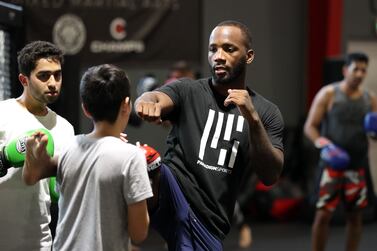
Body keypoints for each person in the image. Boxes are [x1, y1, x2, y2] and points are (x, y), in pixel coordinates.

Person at [135, 20, 284, 250]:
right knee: (142, 160)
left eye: (229, 49)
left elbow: (270, 175)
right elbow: (154, 98)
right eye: (213, 49)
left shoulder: (266, 112)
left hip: (210, 221)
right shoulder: (188, 90)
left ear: (249, 56)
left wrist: (253, 120)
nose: (219, 56)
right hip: (173, 190)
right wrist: (145, 102)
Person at [22, 64, 153, 251]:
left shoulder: (68, 147)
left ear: (85, 109)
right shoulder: (132, 157)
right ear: (126, 105)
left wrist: (33, 154)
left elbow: (30, 177)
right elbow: (138, 233)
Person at [0, 40, 74, 251]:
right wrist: (4, 157)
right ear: (24, 79)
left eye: (57, 75)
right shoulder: (2, 113)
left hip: (38, 241)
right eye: (44, 76)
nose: (52, 82)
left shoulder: (65, 129)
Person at [304, 52, 377, 251]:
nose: (360, 74)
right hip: (331, 166)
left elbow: (373, 134)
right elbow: (310, 126)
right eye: (356, 69)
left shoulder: (370, 99)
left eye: (364, 70)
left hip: (357, 166)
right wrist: (324, 144)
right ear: (346, 70)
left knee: (355, 217)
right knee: (323, 215)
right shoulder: (328, 94)